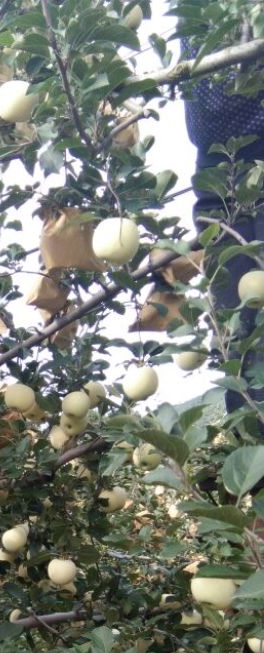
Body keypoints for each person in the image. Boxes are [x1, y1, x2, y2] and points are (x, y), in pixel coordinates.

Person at [181, 30, 264, 417]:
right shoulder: (204, 22)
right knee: (243, 328)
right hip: (224, 169)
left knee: (244, 323)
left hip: (225, 169)